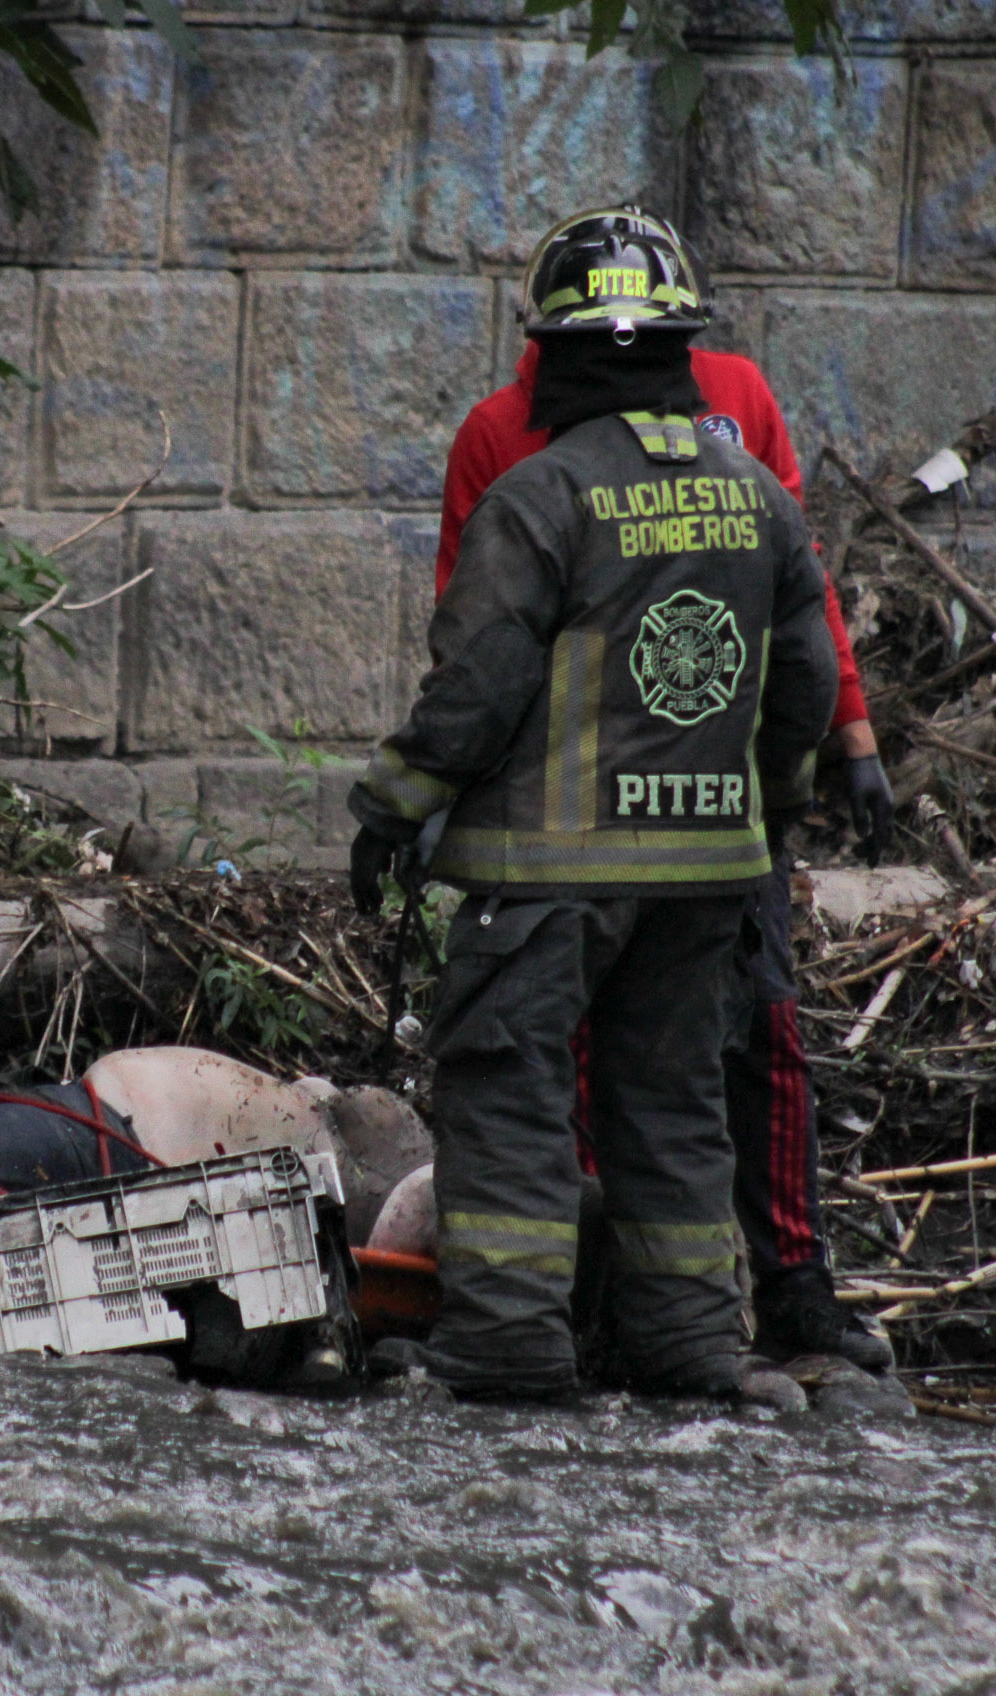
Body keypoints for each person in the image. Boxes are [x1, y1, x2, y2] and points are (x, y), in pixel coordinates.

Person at [348, 208, 838, 1402]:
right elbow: (807, 681)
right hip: (705, 879)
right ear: (680, 350)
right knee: (671, 1103)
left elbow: (476, 683)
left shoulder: (540, 495)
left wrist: (395, 805)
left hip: (548, 875)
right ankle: (690, 1345)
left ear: (555, 354)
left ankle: (510, 1347)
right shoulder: (760, 502)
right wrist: (765, 813)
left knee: (511, 1091)